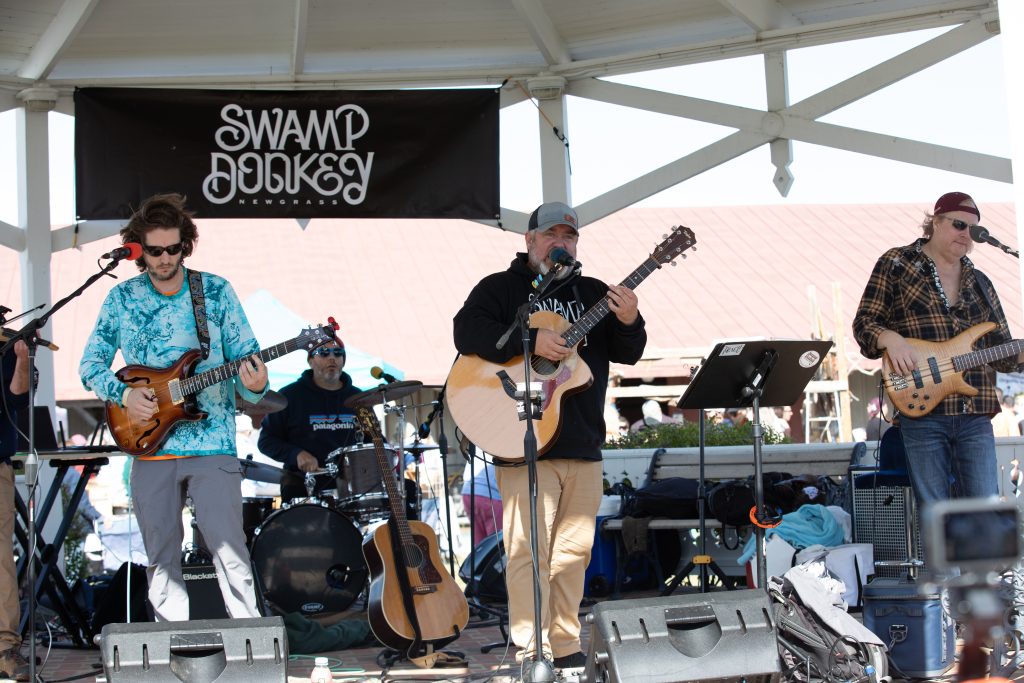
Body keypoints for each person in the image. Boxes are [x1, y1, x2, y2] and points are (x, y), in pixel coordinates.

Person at [452, 201, 647, 673]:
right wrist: (530, 338)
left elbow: (630, 353)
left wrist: (629, 320)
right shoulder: (502, 289)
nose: (562, 243)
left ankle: (564, 644)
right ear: (530, 240)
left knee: (574, 554)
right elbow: (466, 330)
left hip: (582, 441)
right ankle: (529, 649)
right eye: (552, 235)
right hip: (522, 439)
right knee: (527, 552)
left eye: (570, 236)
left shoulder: (594, 294)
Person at [79, 193, 268, 621]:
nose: (165, 259)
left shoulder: (215, 291)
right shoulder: (121, 299)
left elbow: (248, 359)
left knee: (229, 547)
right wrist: (126, 394)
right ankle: (172, 647)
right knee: (161, 556)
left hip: (213, 442)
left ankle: (251, 642)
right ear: (137, 249)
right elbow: (90, 363)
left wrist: (255, 385)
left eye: (174, 248)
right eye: (154, 250)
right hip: (149, 446)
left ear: (187, 244)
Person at [853, 191, 1024, 512]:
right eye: (959, 224)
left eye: (973, 230)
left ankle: (981, 566)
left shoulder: (981, 283)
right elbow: (864, 323)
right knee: (936, 515)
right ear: (935, 222)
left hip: (975, 410)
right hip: (923, 411)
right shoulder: (897, 263)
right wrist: (890, 337)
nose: (966, 235)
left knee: (984, 513)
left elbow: (1002, 353)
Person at [258, 339, 363, 502]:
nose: (332, 358)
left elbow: (375, 442)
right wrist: (296, 454)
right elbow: (266, 441)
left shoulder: (360, 399)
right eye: (324, 353)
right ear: (310, 360)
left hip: (351, 489)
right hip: (301, 488)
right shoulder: (288, 396)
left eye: (338, 353)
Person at [1, 338, 30, 681]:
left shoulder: (6, 348)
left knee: (1, 559)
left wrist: (22, 359)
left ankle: (5, 648)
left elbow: (17, 398)